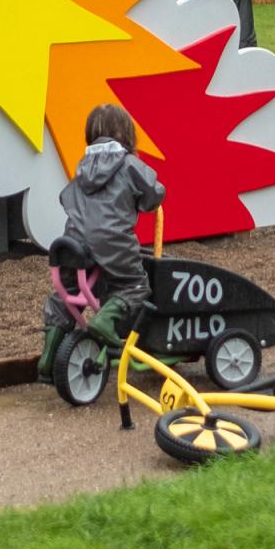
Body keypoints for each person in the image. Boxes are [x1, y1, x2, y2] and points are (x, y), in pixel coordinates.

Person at [36, 104, 166, 383]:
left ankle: (49, 356)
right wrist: (138, 202)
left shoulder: (83, 167)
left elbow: (65, 197)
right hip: (111, 240)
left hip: (72, 242)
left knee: (65, 293)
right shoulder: (130, 165)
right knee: (136, 285)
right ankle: (105, 321)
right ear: (128, 135)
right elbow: (155, 193)